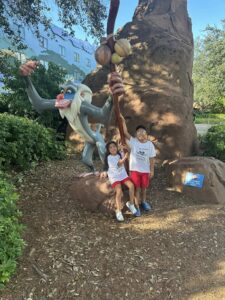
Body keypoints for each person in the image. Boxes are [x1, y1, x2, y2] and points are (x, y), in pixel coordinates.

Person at [121, 116, 156, 216]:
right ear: (136, 135)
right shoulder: (134, 141)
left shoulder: (150, 145)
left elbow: (152, 159)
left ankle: (143, 202)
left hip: (145, 171)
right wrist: (122, 120)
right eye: (139, 132)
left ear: (146, 134)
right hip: (135, 170)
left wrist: (152, 170)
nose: (141, 134)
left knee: (144, 188)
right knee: (137, 188)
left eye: (143, 132)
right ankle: (137, 206)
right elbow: (125, 131)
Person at [104, 141, 138, 222]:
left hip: (122, 175)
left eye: (114, 146)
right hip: (114, 176)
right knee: (119, 191)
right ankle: (118, 210)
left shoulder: (120, 154)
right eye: (110, 147)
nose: (113, 148)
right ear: (108, 150)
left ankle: (131, 203)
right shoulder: (109, 157)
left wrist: (125, 149)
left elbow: (130, 152)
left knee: (131, 186)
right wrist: (125, 157)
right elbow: (119, 164)